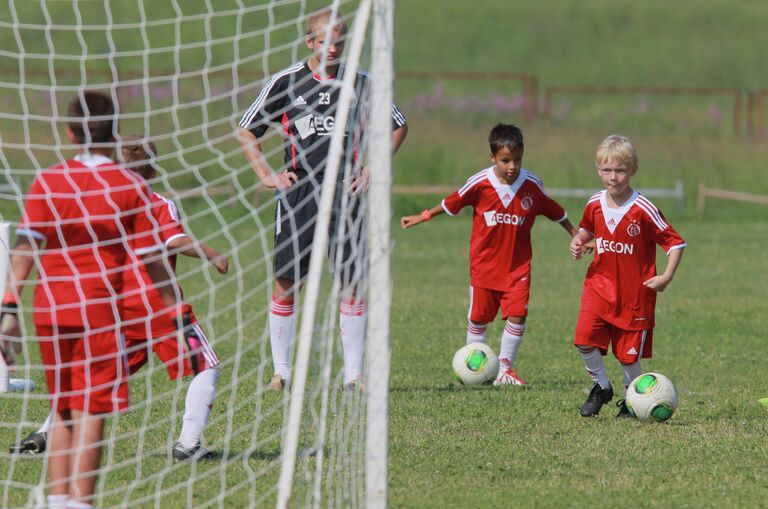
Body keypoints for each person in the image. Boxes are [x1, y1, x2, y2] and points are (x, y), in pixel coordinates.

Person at [0, 91, 179, 509]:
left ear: (69, 132)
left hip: (50, 308)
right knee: (92, 411)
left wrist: (8, 307)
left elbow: (24, 251)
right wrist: (172, 304)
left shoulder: (48, 181)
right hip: (100, 310)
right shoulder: (130, 187)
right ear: (116, 133)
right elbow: (153, 257)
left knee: (63, 405)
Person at [8, 136, 229, 462]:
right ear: (152, 172)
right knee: (206, 366)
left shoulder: (98, 202)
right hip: (156, 302)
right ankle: (189, 443)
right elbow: (173, 239)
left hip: (113, 303)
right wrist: (212, 254)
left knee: (98, 376)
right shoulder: (156, 202)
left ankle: (44, 433)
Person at [237, 6, 408, 391]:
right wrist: (267, 175)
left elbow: (398, 126)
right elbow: (247, 131)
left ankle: (354, 376)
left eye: (340, 42)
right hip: (298, 196)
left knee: (350, 282)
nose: (334, 48)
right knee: (286, 280)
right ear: (309, 42)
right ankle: (281, 373)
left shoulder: (361, 81)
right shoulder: (286, 82)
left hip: (346, 196)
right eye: (326, 42)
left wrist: (373, 169)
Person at [400, 123, 581, 385]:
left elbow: (557, 212)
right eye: (505, 160)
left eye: (517, 160)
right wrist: (424, 215)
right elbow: (453, 201)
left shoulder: (531, 185)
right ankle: (473, 370)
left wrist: (575, 234)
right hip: (484, 267)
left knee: (518, 315)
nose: (512, 166)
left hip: (518, 268)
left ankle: (504, 370)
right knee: (478, 319)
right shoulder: (480, 183)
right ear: (492, 158)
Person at [570, 135, 686, 418]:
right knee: (584, 339)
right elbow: (588, 229)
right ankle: (601, 386)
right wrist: (579, 241)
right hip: (598, 287)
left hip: (634, 296)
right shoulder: (595, 203)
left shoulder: (643, 209)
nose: (613, 177)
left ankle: (633, 402)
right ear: (598, 170)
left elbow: (675, 243)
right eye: (607, 170)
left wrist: (666, 277)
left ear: (633, 169)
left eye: (620, 170)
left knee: (627, 356)